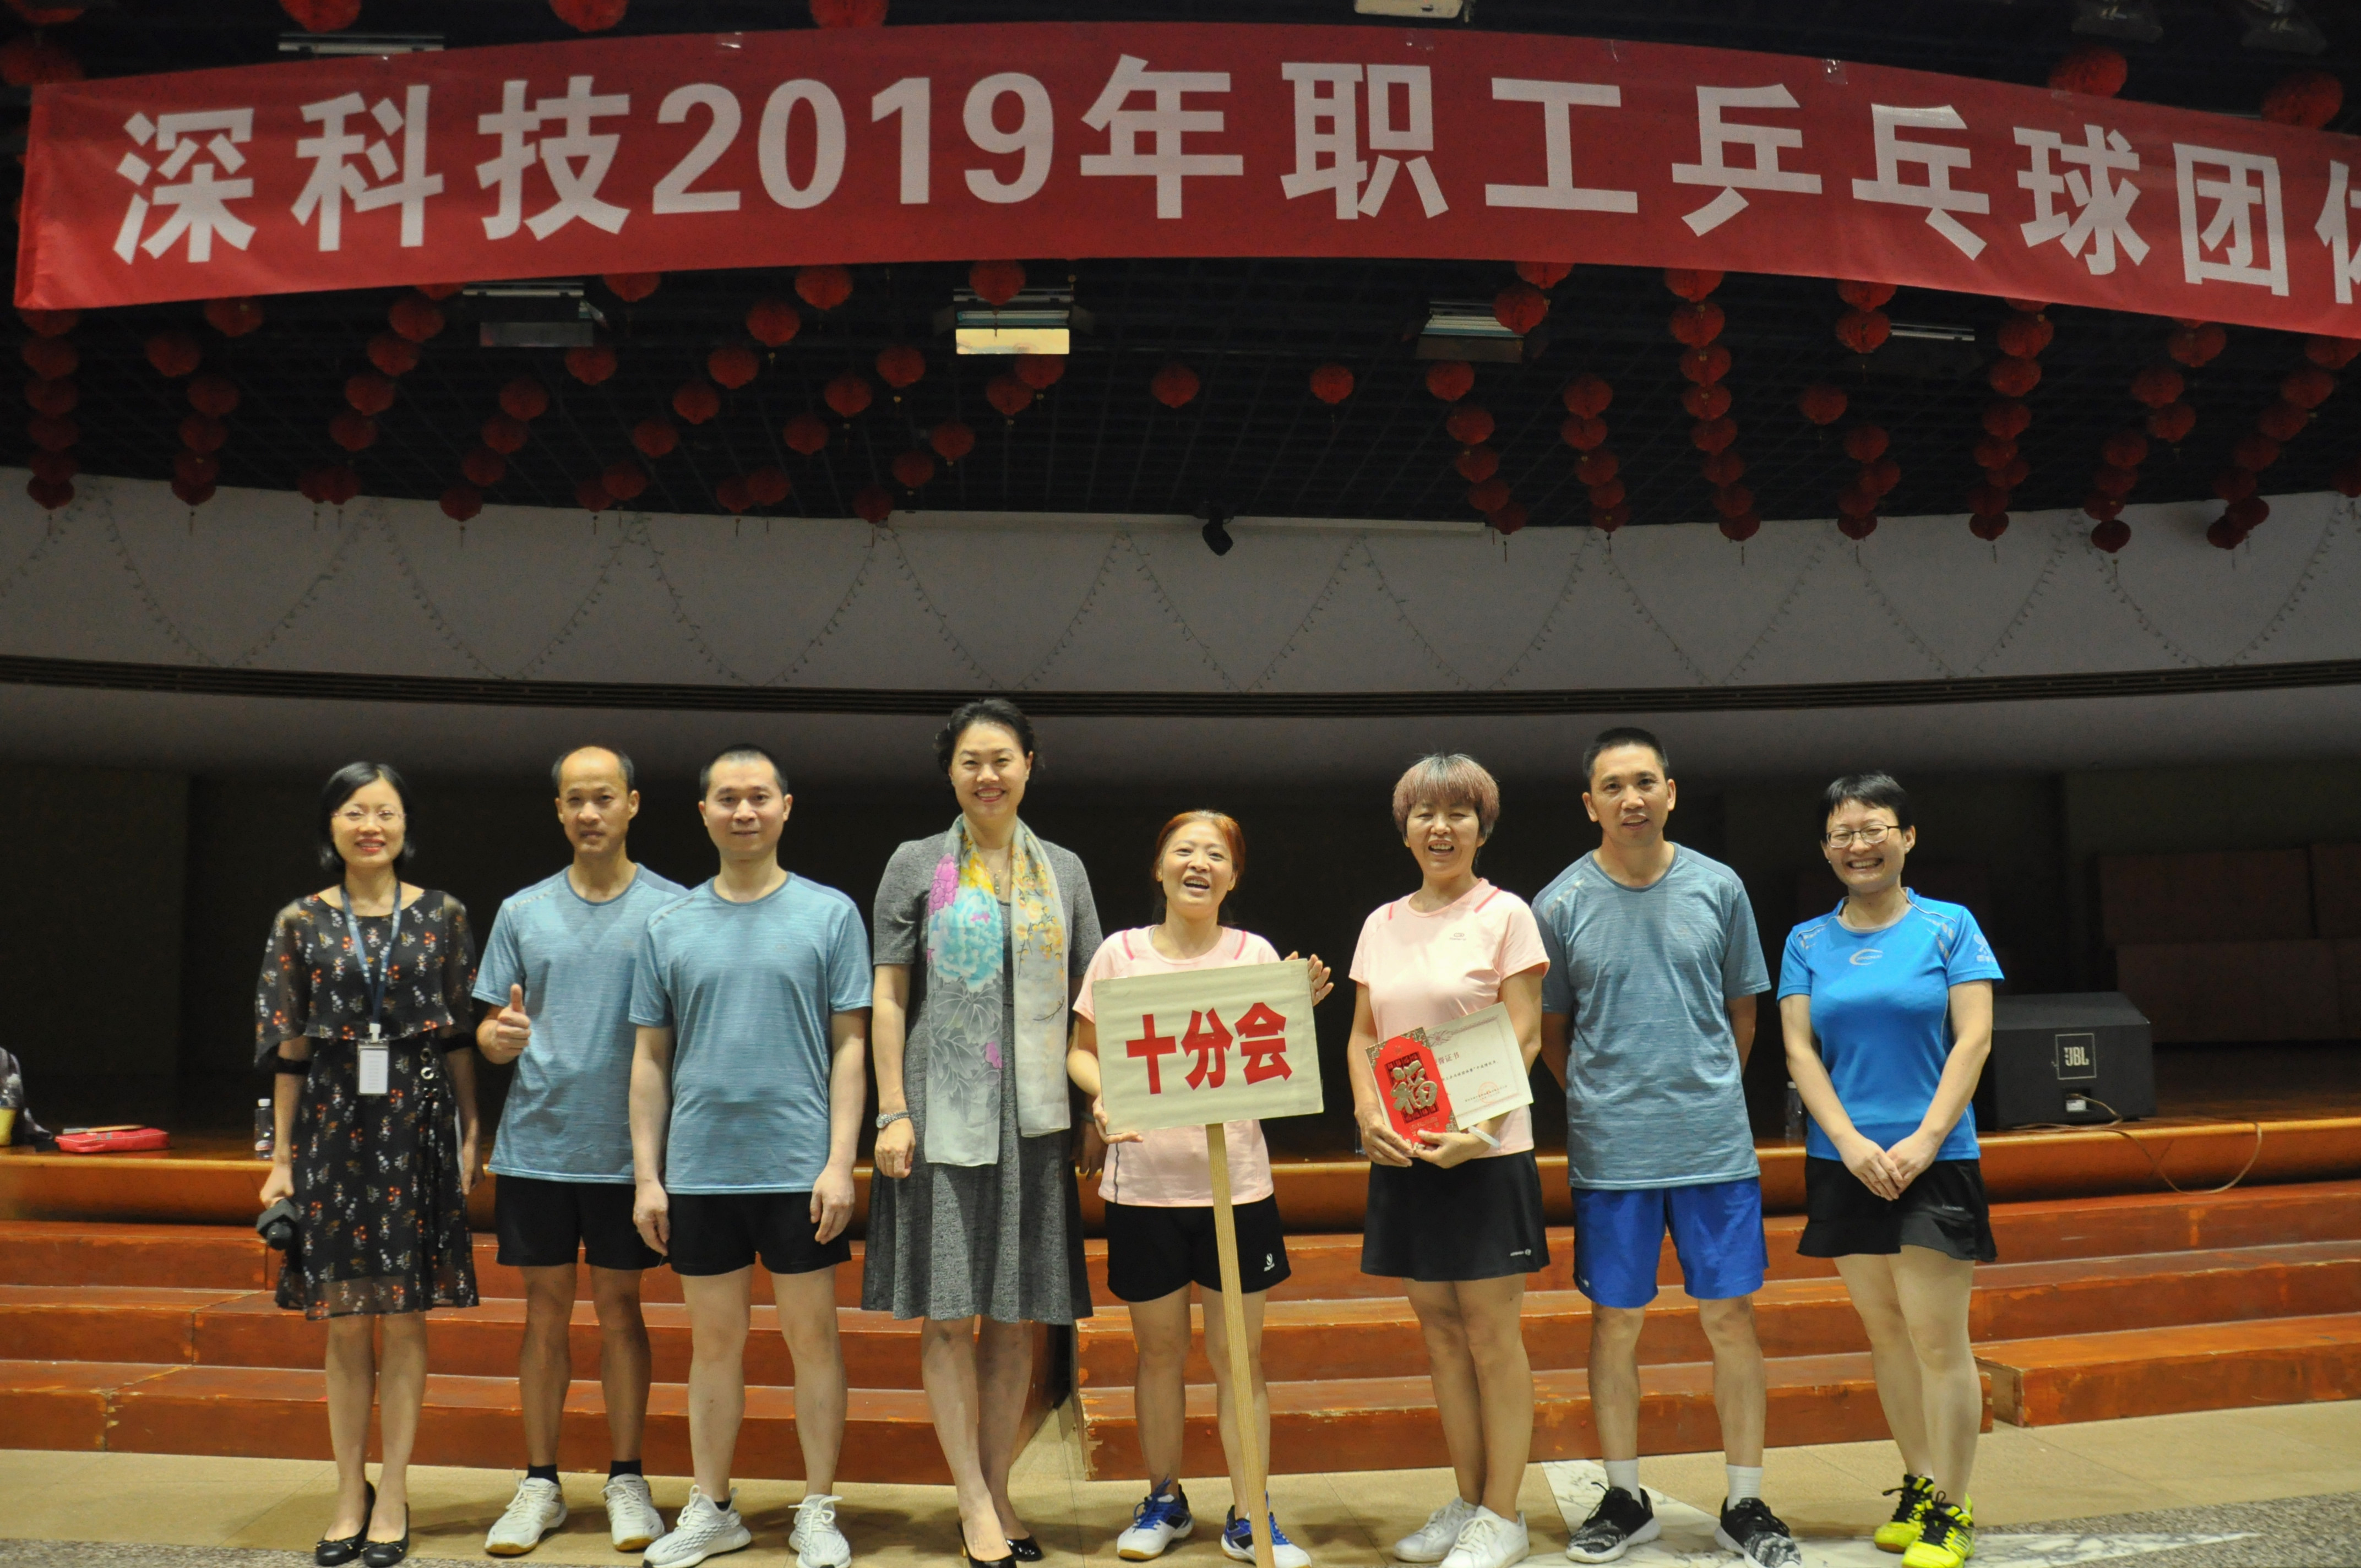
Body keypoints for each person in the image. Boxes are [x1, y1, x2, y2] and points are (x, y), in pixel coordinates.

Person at [1533, 727, 1796, 1568]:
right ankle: (1624, 1497)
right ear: (1590, 804)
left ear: (1671, 793)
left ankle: (1745, 1503)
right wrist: (1605, 1102)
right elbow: (1550, 1033)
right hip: (1613, 1156)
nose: (1631, 799)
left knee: (1730, 1318)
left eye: (1645, 782)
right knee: (1615, 1324)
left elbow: (1743, 1015)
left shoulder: (1720, 888)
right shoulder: (1559, 903)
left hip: (1713, 1149)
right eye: (1613, 786)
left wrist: (1702, 1092)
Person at [864, 698, 1102, 1568]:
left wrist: (1094, 1110)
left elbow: (1090, 1000)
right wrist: (893, 1108)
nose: (988, 775)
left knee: (1012, 1318)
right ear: (951, 773)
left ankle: (999, 1489)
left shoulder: (1064, 870)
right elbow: (889, 994)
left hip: (1036, 1117)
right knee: (949, 1314)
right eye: (971, 761)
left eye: (1002, 758)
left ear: (1030, 764)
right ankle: (970, 1498)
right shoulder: (918, 863)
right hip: (944, 1111)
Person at [627, 744, 872, 1568]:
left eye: (759, 797)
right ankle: (713, 1507)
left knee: (814, 1340)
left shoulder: (830, 915)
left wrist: (839, 1162)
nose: (744, 811)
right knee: (714, 1344)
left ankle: (818, 1507)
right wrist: (649, 1176)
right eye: (728, 798)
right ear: (704, 812)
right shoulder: (669, 926)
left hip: (799, 1168)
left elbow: (851, 1045)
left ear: (785, 808)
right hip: (702, 1171)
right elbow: (650, 1057)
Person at [1068, 811, 1332, 1568]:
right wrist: (1104, 1096)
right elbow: (1082, 1052)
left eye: (1216, 855)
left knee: (1238, 1355)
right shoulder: (1120, 954)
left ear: (1233, 876)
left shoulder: (1254, 955)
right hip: (1145, 1189)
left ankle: (1252, 1512)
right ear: (1158, 868)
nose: (1198, 864)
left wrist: (1293, 1010)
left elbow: (1274, 1058)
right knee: (1158, 1354)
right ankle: (1164, 1499)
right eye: (1183, 851)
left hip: (1236, 1189)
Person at [255, 761, 481, 1568]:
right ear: (332, 825)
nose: (370, 826)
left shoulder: (444, 915)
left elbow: (458, 1035)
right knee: (347, 1322)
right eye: (355, 812)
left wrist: (471, 1132)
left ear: (405, 823)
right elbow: (289, 1051)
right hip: (331, 1130)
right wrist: (280, 1159)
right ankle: (349, 1492)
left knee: (406, 1318)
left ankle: (394, 1492)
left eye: (384, 812)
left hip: (416, 1127)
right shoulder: (300, 921)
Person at [1779, 774, 2000, 1568]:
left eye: (1874, 829)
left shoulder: (1950, 927)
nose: (1859, 846)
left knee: (1939, 1341)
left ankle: (1953, 1507)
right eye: (1842, 834)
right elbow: (1799, 1050)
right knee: (1887, 1336)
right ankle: (1919, 1483)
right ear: (1825, 849)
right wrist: (1846, 1142)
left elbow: (1974, 1038)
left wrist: (1925, 1140)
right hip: (1844, 1162)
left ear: (1907, 838)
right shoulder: (1806, 942)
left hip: (1934, 1160)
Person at [472, 746, 682, 1556]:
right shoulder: (522, 911)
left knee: (623, 1310)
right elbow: (489, 1031)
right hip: (538, 1146)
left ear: (632, 804)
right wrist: (497, 1038)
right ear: (558, 810)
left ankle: (627, 1478)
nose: (589, 813)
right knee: (544, 1311)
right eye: (574, 800)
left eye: (604, 797)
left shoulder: (673, 910)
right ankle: (540, 1483)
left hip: (630, 1153)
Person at [1347, 755, 1549, 1568]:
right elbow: (1364, 1035)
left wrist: (1484, 1131)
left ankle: (1505, 1515)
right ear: (1405, 830)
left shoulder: (1507, 915)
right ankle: (1469, 1500)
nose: (1441, 827)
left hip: (1487, 1155)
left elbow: (1524, 1034)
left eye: (1459, 813)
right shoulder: (1381, 923)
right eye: (1425, 814)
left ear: (1482, 828)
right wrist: (1368, 1116)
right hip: (1407, 1153)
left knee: (1493, 1339)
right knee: (1438, 1334)